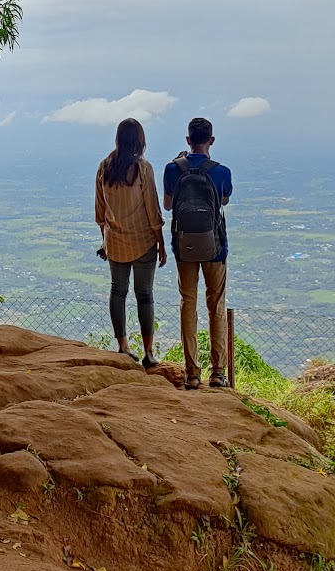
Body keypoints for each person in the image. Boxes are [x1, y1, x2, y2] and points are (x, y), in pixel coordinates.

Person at [163, 117, 233, 390]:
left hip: (184, 246)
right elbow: (224, 200)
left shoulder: (172, 169)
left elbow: (168, 206)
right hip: (215, 246)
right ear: (211, 140)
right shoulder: (221, 171)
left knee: (187, 304)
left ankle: (192, 372)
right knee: (215, 306)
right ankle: (218, 373)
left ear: (188, 140)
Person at [95, 118, 167, 368]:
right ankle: (148, 352)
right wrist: (161, 244)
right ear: (140, 140)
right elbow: (153, 211)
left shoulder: (104, 167)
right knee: (145, 295)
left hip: (115, 242)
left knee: (118, 291)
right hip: (144, 241)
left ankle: (123, 346)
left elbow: (99, 212)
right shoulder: (143, 169)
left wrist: (105, 241)